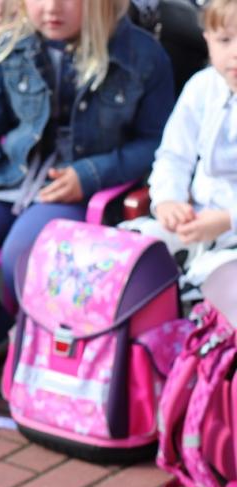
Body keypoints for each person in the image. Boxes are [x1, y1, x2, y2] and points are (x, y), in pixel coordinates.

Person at [0, 0, 174, 375]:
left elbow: (156, 143)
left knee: (23, 254)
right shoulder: (8, 48)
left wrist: (89, 174)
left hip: (79, 191)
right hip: (12, 180)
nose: (51, 8)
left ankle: (37, 344)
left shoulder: (142, 55)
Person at [119, 0, 237, 303]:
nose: (235, 52)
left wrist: (228, 219)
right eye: (225, 40)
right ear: (208, 39)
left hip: (231, 235)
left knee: (227, 289)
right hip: (194, 223)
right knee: (124, 254)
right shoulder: (202, 87)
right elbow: (173, 155)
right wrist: (168, 200)